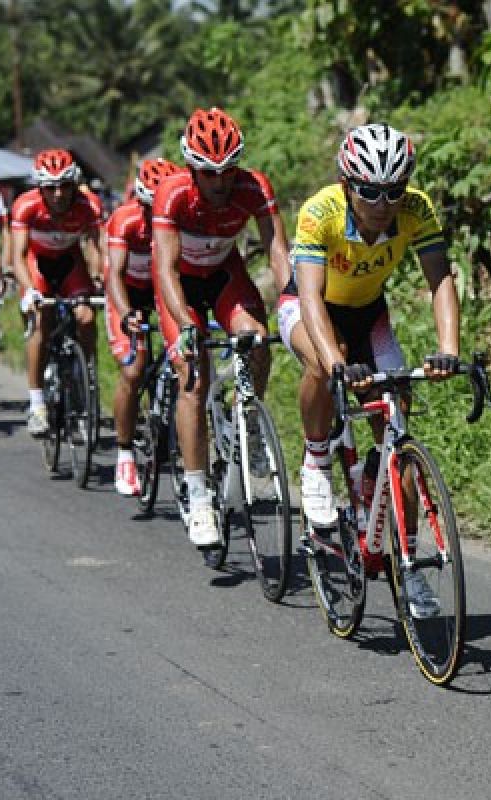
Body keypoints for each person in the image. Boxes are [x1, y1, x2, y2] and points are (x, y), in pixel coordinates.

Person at [277, 122, 460, 618]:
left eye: (393, 191)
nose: (383, 203)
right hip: (310, 309)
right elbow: (310, 295)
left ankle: (408, 564)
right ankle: (316, 460)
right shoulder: (321, 211)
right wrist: (336, 363)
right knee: (322, 360)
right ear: (346, 183)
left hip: (369, 314)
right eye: (370, 192)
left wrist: (449, 348)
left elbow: (440, 279)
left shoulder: (417, 209)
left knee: (397, 431)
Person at [152, 107, 292, 547]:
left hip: (223, 275)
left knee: (257, 338)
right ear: (192, 168)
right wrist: (184, 326)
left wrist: (293, 301)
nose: (219, 182)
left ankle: (248, 421)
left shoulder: (253, 187)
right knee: (193, 378)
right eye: (209, 173)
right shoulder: (172, 195)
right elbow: (166, 269)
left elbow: (277, 252)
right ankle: (197, 497)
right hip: (180, 289)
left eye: (227, 171)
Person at [10, 149, 106, 437]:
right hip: (36, 265)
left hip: (69, 263)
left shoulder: (89, 205)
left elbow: (94, 247)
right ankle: (37, 402)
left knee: (87, 318)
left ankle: (84, 378)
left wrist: (100, 278)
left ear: (74, 183)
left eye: (65, 185)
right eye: (50, 187)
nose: (58, 194)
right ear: (40, 187)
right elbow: (17, 255)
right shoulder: (26, 205)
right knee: (41, 321)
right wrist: (28, 291)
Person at [104, 158, 182, 495]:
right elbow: (114, 276)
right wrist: (126, 314)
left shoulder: (180, 216)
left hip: (162, 290)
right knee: (134, 371)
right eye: (153, 205)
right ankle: (124, 452)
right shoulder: (125, 220)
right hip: (129, 294)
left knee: (185, 359)